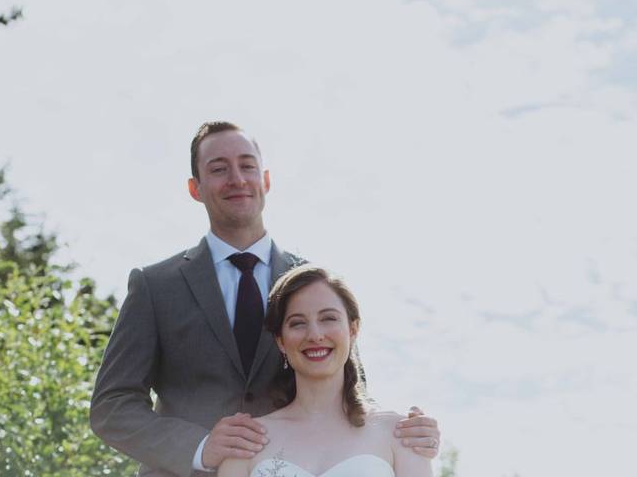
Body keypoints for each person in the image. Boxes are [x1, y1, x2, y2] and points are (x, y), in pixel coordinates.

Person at [90, 122, 440, 476]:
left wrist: (405, 435)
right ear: (195, 188)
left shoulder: (315, 284)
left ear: (266, 180)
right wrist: (200, 447)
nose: (237, 179)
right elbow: (111, 406)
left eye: (247, 165)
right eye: (218, 169)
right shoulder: (155, 286)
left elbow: (349, 383)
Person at [218, 266, 433, 477]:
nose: (315, 334)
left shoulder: (400, 434)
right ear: (281, 341)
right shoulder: (248, 443)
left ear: (353, 329)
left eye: (328, 318)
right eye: (298, 323)